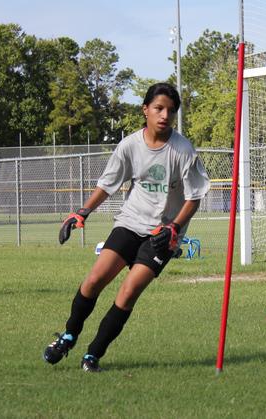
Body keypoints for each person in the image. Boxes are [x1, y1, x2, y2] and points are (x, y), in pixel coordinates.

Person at [43, 82, 210, 372]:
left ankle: (93, 354)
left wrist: (174, 228)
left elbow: (194, 197)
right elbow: (107, 185)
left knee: (129, 291)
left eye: (171, 110)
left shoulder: (183, 150)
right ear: (145, 109)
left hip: (163, 234)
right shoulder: (130, 145)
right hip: (130, 223)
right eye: (158, 108)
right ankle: (68, 336)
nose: (164, 115)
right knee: (95, 279)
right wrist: (81, 213)